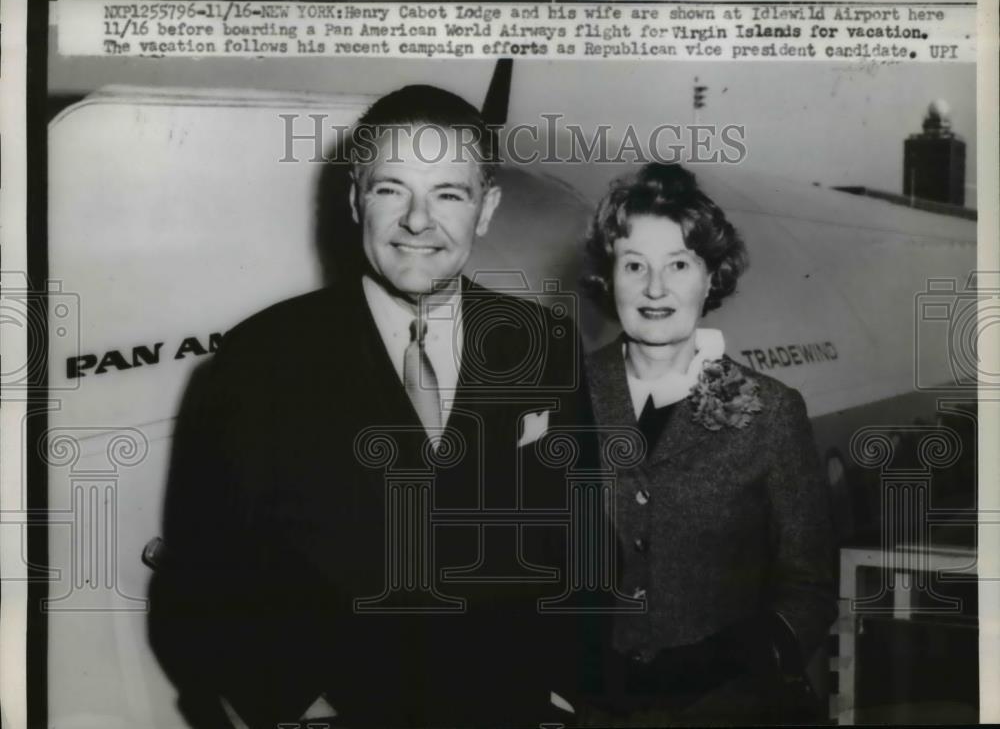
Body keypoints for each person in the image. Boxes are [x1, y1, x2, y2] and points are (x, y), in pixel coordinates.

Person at [149, 85, 598, 728]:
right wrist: (298, 707)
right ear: (356, 197)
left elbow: (580, 530)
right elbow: (208, 570)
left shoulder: (545, 341)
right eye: (392, 189)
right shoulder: (263, 356)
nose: (419, 221)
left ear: (488, 207)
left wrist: (565, 691)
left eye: (449, 193)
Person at [579, 162, 837, 725]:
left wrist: (746, 671)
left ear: (711, 277)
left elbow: (810, 585)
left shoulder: (771, 411)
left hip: (728, 708)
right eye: (634, 265)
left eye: (678, 264)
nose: (655, 288)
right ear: (609, 277)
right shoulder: (564, 397)